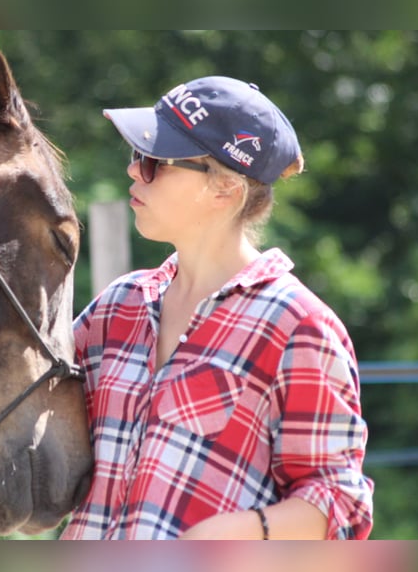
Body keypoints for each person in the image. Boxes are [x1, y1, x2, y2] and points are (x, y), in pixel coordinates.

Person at [60, 76, 374, 540]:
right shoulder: (117, 307)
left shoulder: (298, 328)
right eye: (136, 156)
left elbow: (340, 505)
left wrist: (238, 533)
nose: (133, 171)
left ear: (225, 188)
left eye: (154, 162)